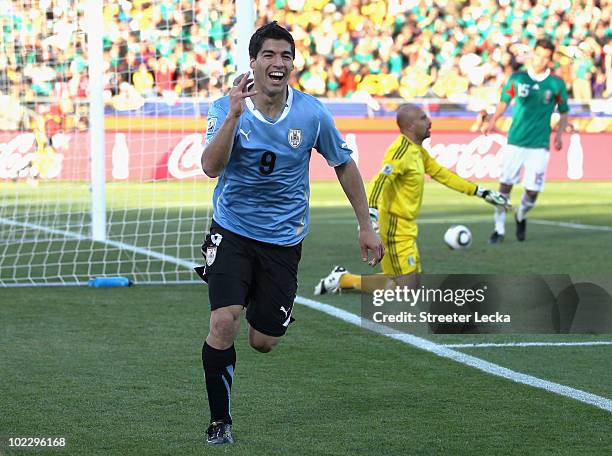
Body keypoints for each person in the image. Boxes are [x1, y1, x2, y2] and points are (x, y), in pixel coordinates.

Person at [196, 22, 383, 445]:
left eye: (285, 56)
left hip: (283, 240)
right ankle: (219, 422)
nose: (278, 64)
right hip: (233, 230)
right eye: (269, 56)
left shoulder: (311, 113)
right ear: (253, 62)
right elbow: (211, 166)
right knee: (223, 321)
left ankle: (263, 300)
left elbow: (343, 163)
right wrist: (233, 116)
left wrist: (365, 224)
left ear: (293, 63)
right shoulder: (225, 107)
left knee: (263, 341)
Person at [314, 104, 511, 295]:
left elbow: (444, 175)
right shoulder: (400, 151)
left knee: (408, 285)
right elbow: (381, 180)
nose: (430, 122)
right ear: (410, 126)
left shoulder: (418, 152)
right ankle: (343, 280)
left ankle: (344, 279)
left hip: (407, 227)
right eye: (424, 118)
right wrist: (371, 212)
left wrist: (481, 192)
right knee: (406, 289)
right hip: (394, 227)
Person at [483, 39, 569, 243]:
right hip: (515, 141)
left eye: (546, 57)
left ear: (550, 59)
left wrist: (559, 134)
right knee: (504, 187)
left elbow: (564, 112)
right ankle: (499, 230)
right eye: (538, 54)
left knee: (532, 192)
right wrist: (493, 121)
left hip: (539, 145)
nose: (541, 60)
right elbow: (504, 101)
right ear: (533, 54)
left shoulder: (556, 83)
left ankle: (521, 215)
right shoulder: (517, 78)